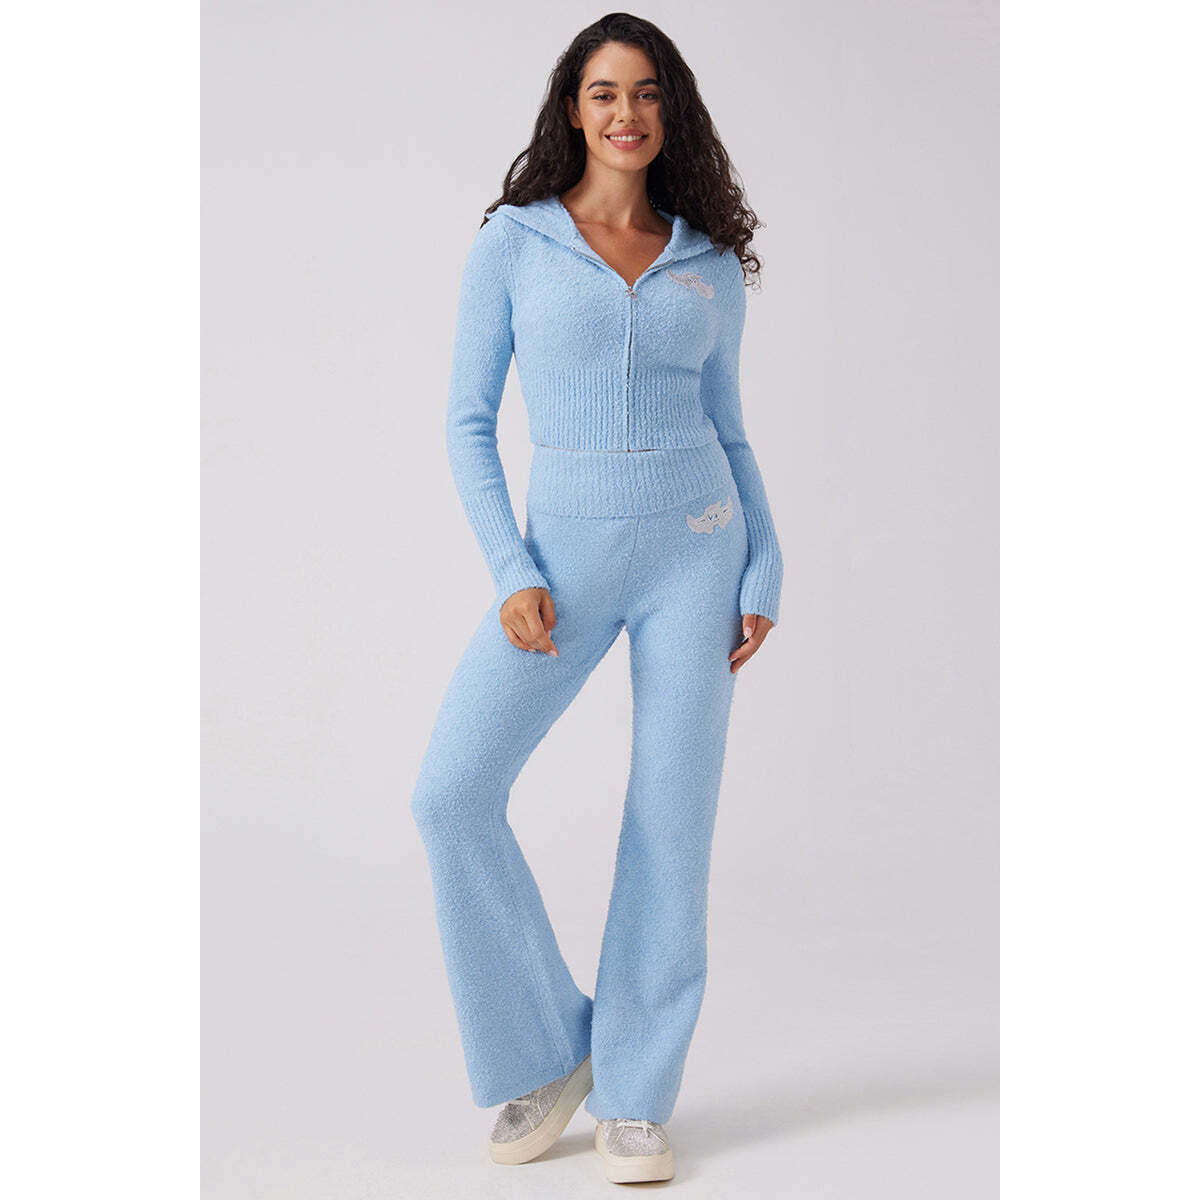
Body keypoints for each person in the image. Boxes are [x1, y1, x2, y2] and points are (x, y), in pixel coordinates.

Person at [410, 13, 784, 1185]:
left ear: (672, 110)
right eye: (605, 91)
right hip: (561, 566)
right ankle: (549, 1044)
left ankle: (635, 1091)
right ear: (572, 108)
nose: (627, 112)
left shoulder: (705, 261)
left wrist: (765, 565)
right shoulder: (515, 242)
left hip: (699, 554)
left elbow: (729, 427)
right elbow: (467, 422)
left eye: (648, 92)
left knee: (670, 825)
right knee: (451, 794)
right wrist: (513, 572)